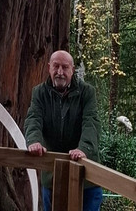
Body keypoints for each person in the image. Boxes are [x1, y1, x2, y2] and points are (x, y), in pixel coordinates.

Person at [24, 50, 103, 211]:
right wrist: (34, 141)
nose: (60, 72)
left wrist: (83, 149)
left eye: (65, 67)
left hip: (86, 179)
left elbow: (91, 123)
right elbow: (33, 119)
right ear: (49, 68)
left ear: (72, 70)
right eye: (56, 66)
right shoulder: (39, 93)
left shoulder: (87, 92)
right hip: (53, 178)